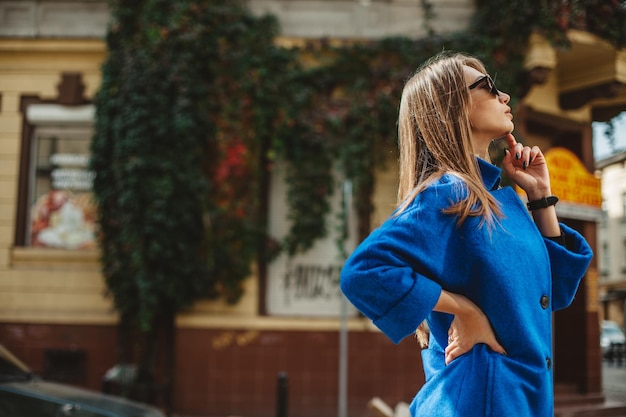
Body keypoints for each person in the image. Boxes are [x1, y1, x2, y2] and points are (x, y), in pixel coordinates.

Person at [339, 51, 593, 417]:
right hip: (481, 399)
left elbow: (555, 292)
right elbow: (362, 273)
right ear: (451, 108)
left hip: (518, 398)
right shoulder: (448, 193)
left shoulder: (499, 201)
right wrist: (466, 312)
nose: (504, 97)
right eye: (488, 87)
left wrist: (540, 197)